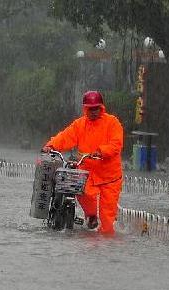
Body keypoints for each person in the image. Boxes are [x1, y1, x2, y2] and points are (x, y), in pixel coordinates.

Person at [42, 90, 124, 235]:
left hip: (110, 177)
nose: (93, 112)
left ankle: (106, 248)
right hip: (87, 173)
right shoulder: (79, 125)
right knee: (83, 194)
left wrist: (102, 151)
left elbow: (116, 143)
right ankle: (91, 218)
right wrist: (51, 146)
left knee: (107, 219)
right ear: (85, 109)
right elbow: (65, 136)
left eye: (96, 108)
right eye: (90, 109)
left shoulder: (112, 123)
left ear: (101, 108)